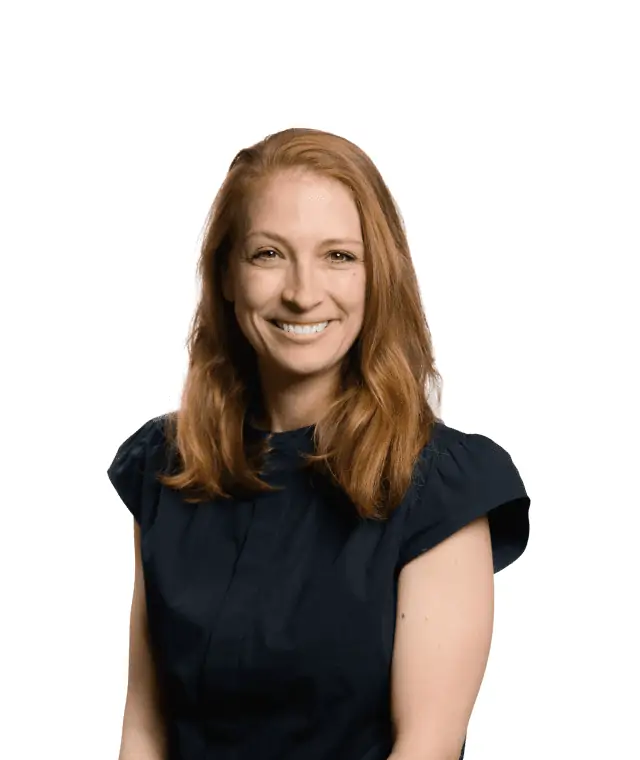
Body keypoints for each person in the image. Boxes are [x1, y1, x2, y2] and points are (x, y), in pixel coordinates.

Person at [107, 127, 531, 760]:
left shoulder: (441, 488)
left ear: (377, 276)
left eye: (338, 256)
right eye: (268, 254)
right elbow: (144, 732)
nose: (303, 292)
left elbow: (426, 748)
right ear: (226, 275)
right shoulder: (167, 468)